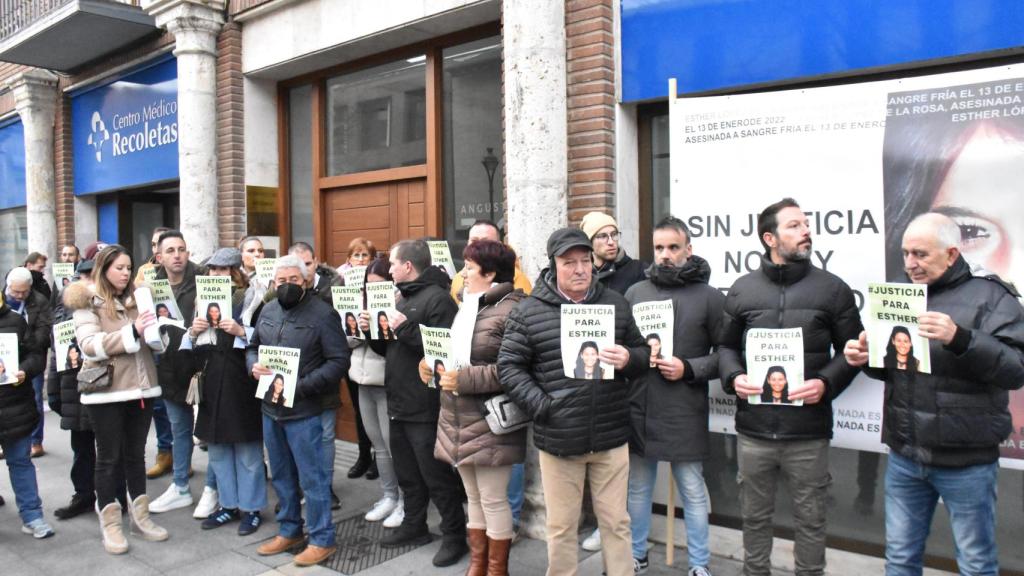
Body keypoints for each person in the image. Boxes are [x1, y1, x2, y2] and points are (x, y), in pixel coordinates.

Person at [844, 212, 1024, 575]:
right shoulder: (900, 291)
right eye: (906, 253)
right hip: (906, 456)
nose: (911, 263)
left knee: (975, 563)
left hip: (967, 462)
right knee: (899, 559)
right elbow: (891, 368)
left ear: (952, 254)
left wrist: (961, 338)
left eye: (921, 255)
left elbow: (1015, 370)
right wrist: (866, 359)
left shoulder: (993, 296)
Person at [718, 198, 863, 576]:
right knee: (754, 519)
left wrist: (825, 383)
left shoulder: (833, 290)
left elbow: (853, 353)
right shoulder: (742, 289)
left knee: (812, 522)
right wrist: (734, 378)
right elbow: (726, 348)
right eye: (795, 226)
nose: (806, 232)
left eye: (806, 224)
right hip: (753, 432)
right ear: (770, 238)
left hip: (808, 433)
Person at [498, 227, 649, 576]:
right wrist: (543, 406)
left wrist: (629, 358)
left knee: (617, 524)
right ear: (553, 265)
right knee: (562, 528)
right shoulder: (529, 311)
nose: (580, 269)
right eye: (570, 262)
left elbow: (642, 354)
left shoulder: (615, 303)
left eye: (585, 261)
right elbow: (509, 367)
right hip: (560, 439)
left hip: (611, 437)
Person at [624, 215, 723, 576]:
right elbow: (623, 348)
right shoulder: (635, 293)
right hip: (641, 405)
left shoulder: (710, 297)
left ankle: (699, 564)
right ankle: (636, 555)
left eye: (673, 247)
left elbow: (726, 356)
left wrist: (689, 367)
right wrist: (635, 357)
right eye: (659, 248)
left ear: (689, 250)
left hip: (685, 406)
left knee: (693, 491)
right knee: (637, 490)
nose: (665, 255)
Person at [420, 239, 526, 576]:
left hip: (490, 419)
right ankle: (478, 565)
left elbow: (515, 368)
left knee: (494, 499)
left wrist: (465, 380)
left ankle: (497, 570)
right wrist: (430, 363)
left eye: (469, 267)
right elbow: (453, 355)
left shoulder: (513, 309)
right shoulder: (468, 305)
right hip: (457, 415)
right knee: (475, 498)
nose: (462, 274)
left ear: (490, 272)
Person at [362, 239, 468, 567]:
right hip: (398, 401)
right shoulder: (400, 297)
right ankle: (414, 525)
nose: (389, 269)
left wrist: (404, 326)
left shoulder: (438, 299)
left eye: (393, 264)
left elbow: (440, 351)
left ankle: (454, 536)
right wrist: (372, 332)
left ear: (408, 266)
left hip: (425, 405)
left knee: (436, 476)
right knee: (408, 473)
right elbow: (390, 351)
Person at [248, 254, 349, 567]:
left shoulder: (323, 314)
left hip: (305, 411)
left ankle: (322, 538)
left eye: (294, 280)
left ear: (305, 281)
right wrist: (253, 366)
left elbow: (338, 361)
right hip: (271, 408)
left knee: (313, 479)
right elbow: (253, 346)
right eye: (282, 281)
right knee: (280, 475)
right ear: (273, 283)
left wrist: (301, 385)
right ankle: (290, 529)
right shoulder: (267, 309)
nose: (287, 286)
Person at [67, 244, 168, 553]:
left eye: (128, 267)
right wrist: (133, 332)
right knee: (108, 458)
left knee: (136, 456)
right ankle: (111, 524)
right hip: (106, 392)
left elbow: (157, 346)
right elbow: (88, 345)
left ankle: (140, 518)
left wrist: (158, 327)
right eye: (119, 268)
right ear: (103, 269)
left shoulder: (141, 297)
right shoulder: (87, 300)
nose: (125, 273)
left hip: (143, 388)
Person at [186, 248, 265, 536]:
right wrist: (192, 332)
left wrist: (242, 331)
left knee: (247, 450)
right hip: (210, 378)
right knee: (217, 449)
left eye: (223, 270)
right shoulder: (200, 299)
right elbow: (189, 348)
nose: (217, 275)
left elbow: (266, 337)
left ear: (235, 271)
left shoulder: (252, 297)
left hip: (240, 380)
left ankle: (252, 508)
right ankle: (229, 505)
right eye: (214, 271)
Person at [147, 230, 206, 516]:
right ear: (159, 257)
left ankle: (214, 490)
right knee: (179, 430)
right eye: (170, 250)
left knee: (210, 431)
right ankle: (180, 486)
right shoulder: (152, 286)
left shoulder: (204, 280)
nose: (177, 255)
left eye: (181, 249)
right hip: (170, 368)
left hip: (204, 367)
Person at [287, 241, 344, 509]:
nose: (303, 270)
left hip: (322, 376)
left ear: (316, 261)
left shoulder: (333, 291)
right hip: (291, 378)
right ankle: (299, 487)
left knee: (325, 435)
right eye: (296, 264)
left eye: (307, 264)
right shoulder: (279, 294)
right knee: (295, 436)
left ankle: (325, 487)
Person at [351, 257, 404, 528]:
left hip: (385, 380)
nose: (373, 289)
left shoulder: (398, 302)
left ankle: (405, 500)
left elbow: (394, 344)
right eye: (369, 285)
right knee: (378, 445)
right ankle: (388, 496)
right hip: (362, 380)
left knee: (394, 445)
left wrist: (377, 326)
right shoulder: (359, 301)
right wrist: (357, 328)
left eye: (379, 284)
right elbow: (346, 339)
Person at [0, 264, 52, 537]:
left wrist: (25, 370)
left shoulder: (15, 320)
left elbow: (36, 355)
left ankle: (32, 516)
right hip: (14, 404)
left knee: (20, 461)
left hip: (14, 404)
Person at [338, 238, 377, 481]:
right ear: (348, 259)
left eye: (366, 256)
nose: (361, 260)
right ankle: (363, 454)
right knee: (359, 409)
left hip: (373, 354)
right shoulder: (339, 282)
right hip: (350, 352)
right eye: (357, 256)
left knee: (375, 411)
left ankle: (377, 458)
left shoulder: (379, 283)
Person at [137, 227, 174, 481]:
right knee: (160, 406)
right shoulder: (142, 272)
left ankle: (180, 455)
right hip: (155, 344)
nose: (154, 249)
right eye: (153, 244)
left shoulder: (183, 272)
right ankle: (165, 453)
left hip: (178, 341)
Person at [5, 267, 53, 459]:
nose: (20, 296)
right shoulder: (3, 300)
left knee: (34, 397)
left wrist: (27, 344)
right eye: (16, 292)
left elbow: (44, 330)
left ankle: (35, 440)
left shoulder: (39, 301)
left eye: (24, 292)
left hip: (30, 356)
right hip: (5, 356)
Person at [450, 220, 533, 302]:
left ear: (499, 245)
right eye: (474, 241)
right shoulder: (458, 279)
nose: (478, 246)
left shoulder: (517, 278)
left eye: (485, 241)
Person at [581, 211, 647, 296]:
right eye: (603, 236)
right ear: (589, 242)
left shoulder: (639, 270)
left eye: (614, 234)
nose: (611, 242)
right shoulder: (582, 273)